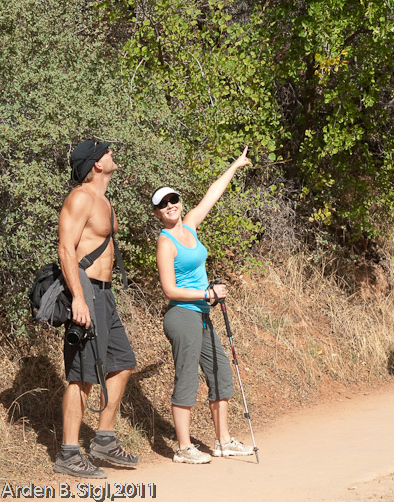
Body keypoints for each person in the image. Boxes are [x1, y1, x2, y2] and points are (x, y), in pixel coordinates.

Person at [154, 147, 255, 464]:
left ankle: (223, 442)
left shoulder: (190, 226)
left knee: (220, 371)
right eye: (163, 204)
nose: (170, 206)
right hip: (182, 315)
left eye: (173, 200)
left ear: (180, 203)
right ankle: (183, 448)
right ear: (157, 213)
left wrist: (235, 165)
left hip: (201, 314)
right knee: (186, 378)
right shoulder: (165, 242)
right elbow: (169, 289)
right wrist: (206, 294)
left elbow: (212, 194)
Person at [53, 140, 138, 478]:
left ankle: (104, 439)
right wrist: (78, 298)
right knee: (83, 375)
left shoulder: (104, 199)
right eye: (106, 151)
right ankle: (68, 453)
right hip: (86, 290)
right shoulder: (80, 198)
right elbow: (65, 249)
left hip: (105, 294)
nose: (112, 153)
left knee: (122, 363)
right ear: (96, 165)